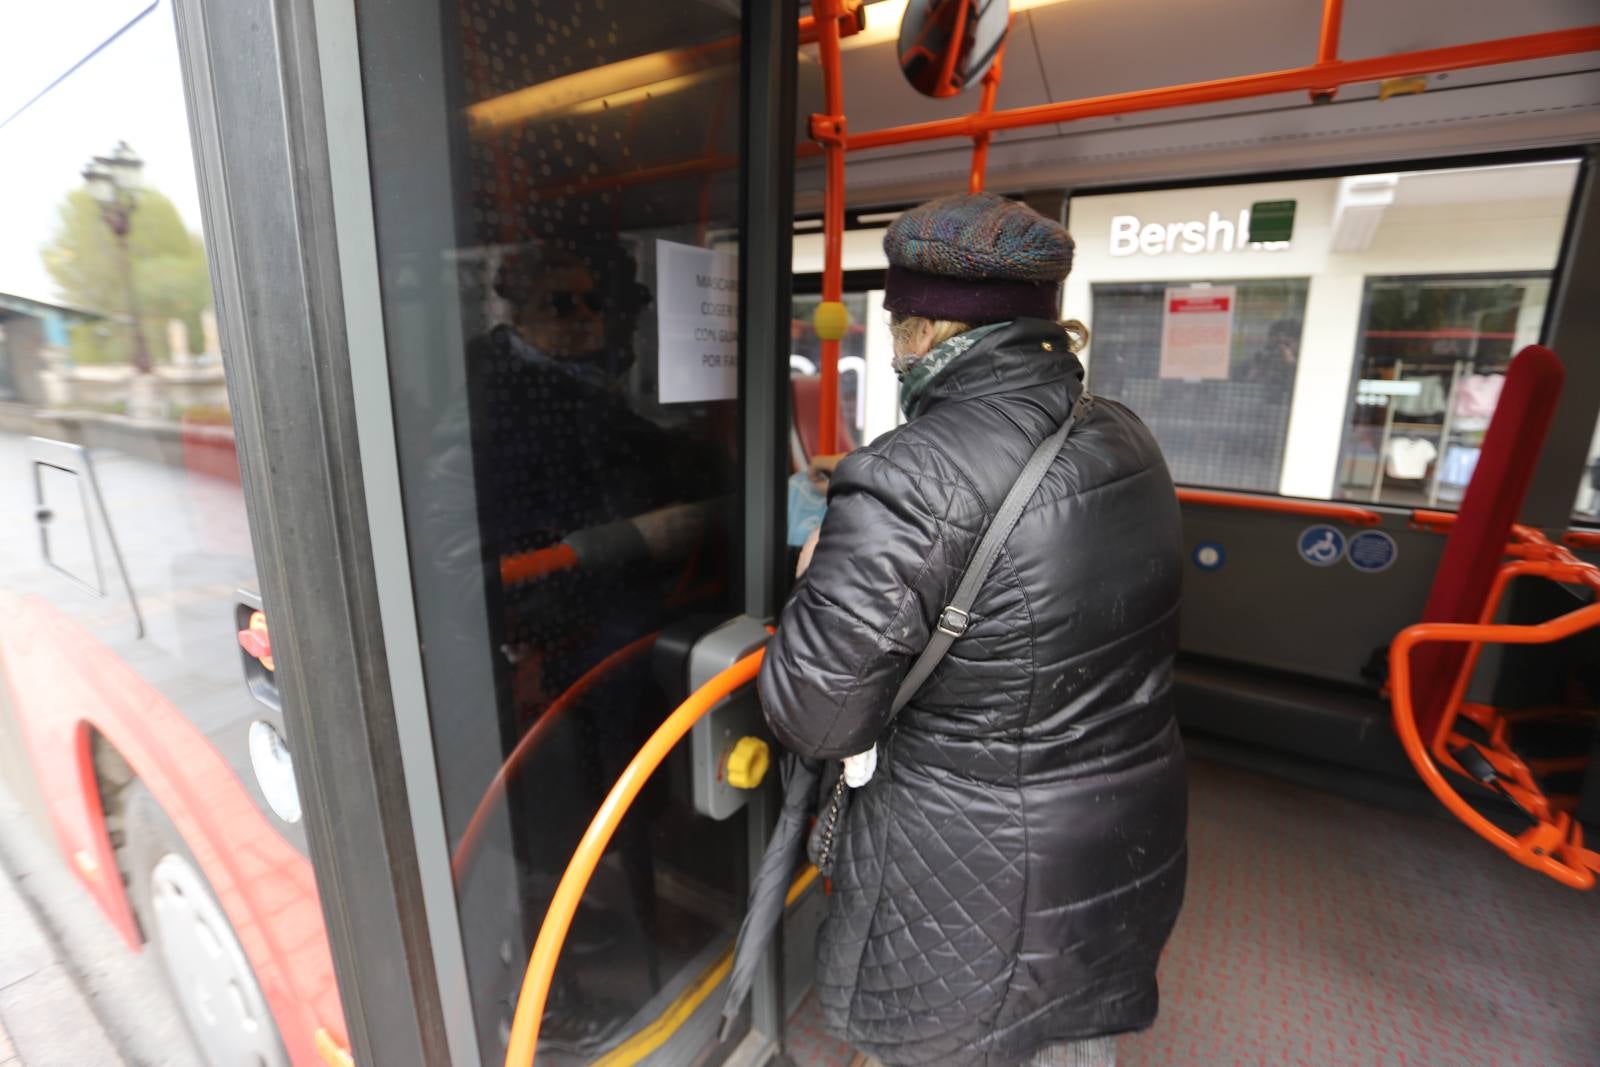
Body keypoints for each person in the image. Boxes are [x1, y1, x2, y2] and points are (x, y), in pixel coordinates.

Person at [758, 193, 1187, 1067]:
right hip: (1121, 836)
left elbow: (817, 716)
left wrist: (812, 584)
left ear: (920, 331)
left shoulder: (909, 475)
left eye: (895, 326)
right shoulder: (1125, 436)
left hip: (969, 875)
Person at [1242, 318, 1301, 390]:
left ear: (1299, 343)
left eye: (1286, 344)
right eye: (1276, 344)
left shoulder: (1304, 367)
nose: (1280, 349)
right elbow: (1246, 388)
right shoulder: (1261, 359)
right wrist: (1256, 370)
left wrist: (1291, 363)